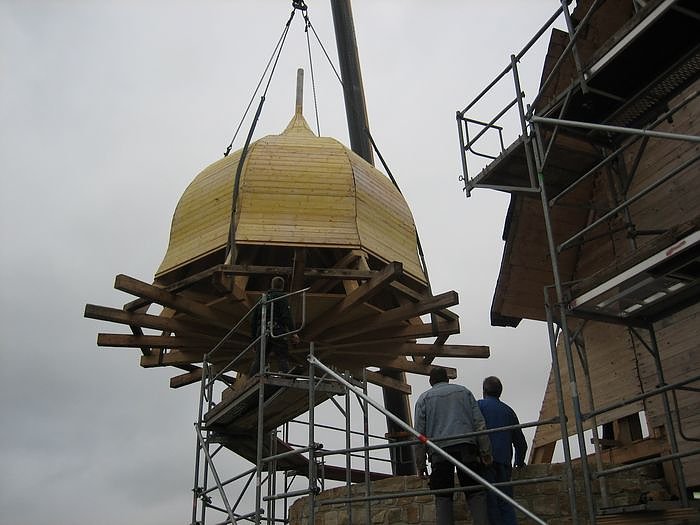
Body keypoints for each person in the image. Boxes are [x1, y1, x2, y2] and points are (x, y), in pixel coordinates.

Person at [414, 368, 492, 525]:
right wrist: (485, 452)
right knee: (475, 492)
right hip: (466, 447)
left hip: (439, 451)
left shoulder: (424, 399)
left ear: (431, 381)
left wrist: (420, 464)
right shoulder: (464, 392)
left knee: (443, 496)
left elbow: (419, 434)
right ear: (447, 379)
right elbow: (479, 424)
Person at [478, 376, 528, 525]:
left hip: (485, 462)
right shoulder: (508, 411)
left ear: (484, 391)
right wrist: (519, 462)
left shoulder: (478, 406)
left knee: (490, 503)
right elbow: (521, 443)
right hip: (504, 464)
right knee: (506, 503)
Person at [248, 276, 300, 375]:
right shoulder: (282, 298)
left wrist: (254, 340)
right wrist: (293, 332)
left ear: (271, 285)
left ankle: (251, 377)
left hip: (262, 331)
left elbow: (253, 321)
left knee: (260, 357)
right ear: (282, 286)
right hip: (277, 329)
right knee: (282, 355)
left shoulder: (262, 299)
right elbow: (286, 316)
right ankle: (285, 373)